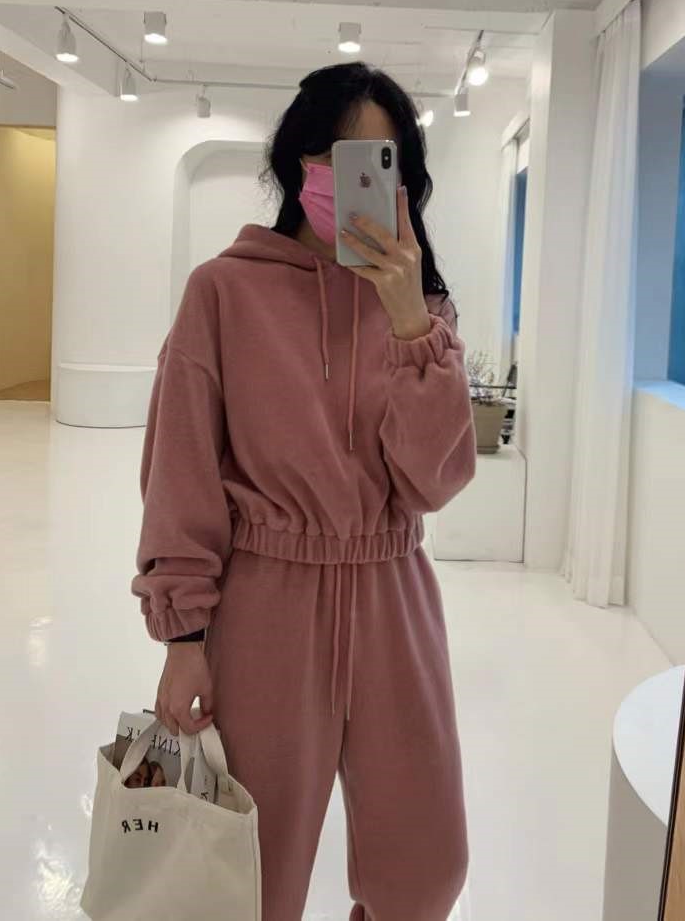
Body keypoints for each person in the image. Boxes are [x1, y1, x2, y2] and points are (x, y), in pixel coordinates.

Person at [131, 62, 476, 921]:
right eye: (338, 154)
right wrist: (183, 636)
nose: (352, 177)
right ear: (300, 160)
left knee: (426, 869)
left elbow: (434, 483)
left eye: (380, 160)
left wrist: (410, 322)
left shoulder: (422, 307)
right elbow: (179, 468)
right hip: (267, 600)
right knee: (254, 871)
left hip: (394, 592)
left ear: (403, 178)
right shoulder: (223, 290)